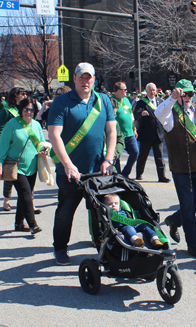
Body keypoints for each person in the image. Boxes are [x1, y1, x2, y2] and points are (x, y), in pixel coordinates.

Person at [48, 62, 116, 265]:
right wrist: (67, 164)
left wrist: (108, 159)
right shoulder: (62, 102)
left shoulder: (103, 100)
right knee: (65, 212)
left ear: (94, 80)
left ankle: (101, 247)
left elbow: (112, 131)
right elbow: (54, 135)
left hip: (97, 170)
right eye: (81, 77)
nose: (85, 81)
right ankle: (60, 248)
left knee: (100, 213)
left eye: (89, 78)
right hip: (70, 172)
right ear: (75, 79)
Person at [155, 79, 196, 258]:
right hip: (181, 168)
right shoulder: (170, 113)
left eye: (190, 94)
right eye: (184, 95)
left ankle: (174, 220)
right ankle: (193, 244)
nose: (188, 97)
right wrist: (172, 98)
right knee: (188, 206)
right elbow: (159, 113)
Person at [0, 97, 46, 235]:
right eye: (26, 109)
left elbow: (41, 142)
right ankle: (33, 224)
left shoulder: (36, 125)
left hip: (32, 166)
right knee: (26, 194)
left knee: (25, 196)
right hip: (16, 167)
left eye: (32, 110)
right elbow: (3, 145)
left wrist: (44, 151)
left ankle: (18, 223)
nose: (29, 112)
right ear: (21, 110)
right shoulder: (12, 124)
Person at [0, 88, 27, 212]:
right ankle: (6, 201)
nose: (25, 96)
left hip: (24, 146)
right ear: (15, 96)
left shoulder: (25, 109)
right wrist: (0, 147)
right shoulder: (7, 111)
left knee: (27, 175)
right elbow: (1, 129)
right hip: (11, 146)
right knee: (9, 174)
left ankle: (30, 201)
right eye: (22, 94)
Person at [133, 83, 170, 183]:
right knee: (143, 156)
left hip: (158, 133)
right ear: (147, 91)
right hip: (146, 133)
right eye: (150, 90)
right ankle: (139, 173)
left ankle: (162, 176)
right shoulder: (141, 102)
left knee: (160, 157)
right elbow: (136, 113)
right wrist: (141, 113)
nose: (153, 92)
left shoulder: (160, 101)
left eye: (154, 90)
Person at [111, 82, 139, 178]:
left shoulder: (126, 100)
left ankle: (125, 173)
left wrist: (134, 129)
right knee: (116, 156)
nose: (127, 91)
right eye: (125, 89)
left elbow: (131, 115)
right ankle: (117, 175)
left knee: (135, 152)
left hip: (129, 133)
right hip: (118, 135)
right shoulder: (111, 100)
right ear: (118, 91)